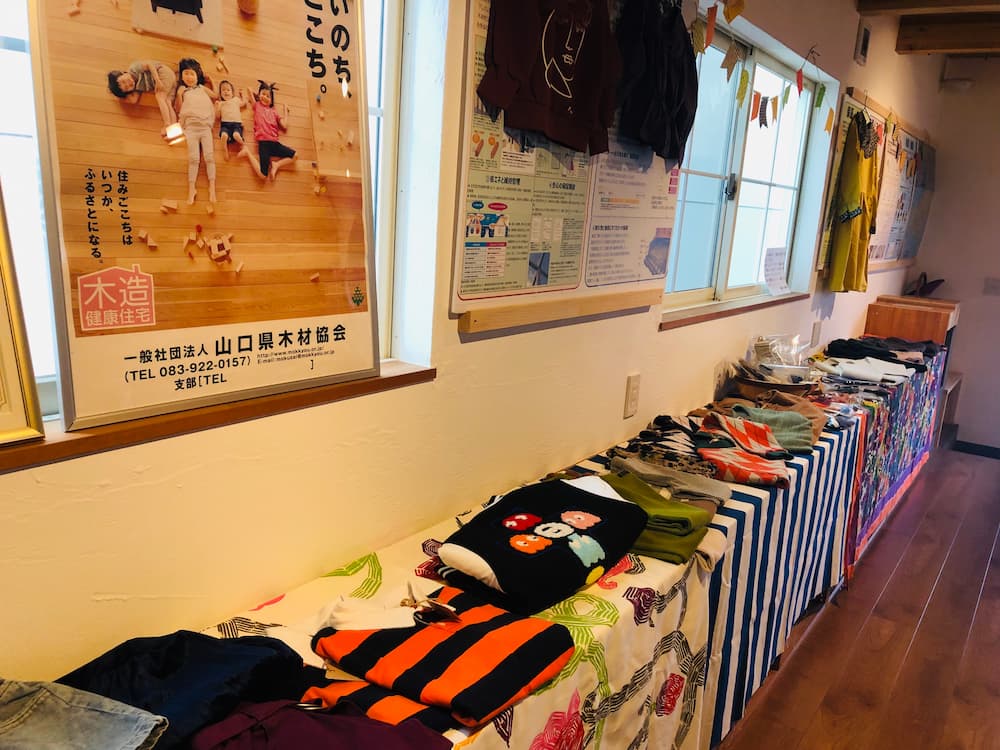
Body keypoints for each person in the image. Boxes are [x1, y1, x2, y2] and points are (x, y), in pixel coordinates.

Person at [174, 58, 218, 204]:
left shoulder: (201, 88)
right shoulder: (183, 91)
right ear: (181, 76)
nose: (189, 77)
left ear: (197, 76)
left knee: (209, 157)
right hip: (191, 128)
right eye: (186, 73)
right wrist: (179, 94)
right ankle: (192, 189)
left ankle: (212, 188)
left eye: (192, 74)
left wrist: (212, 81)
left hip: (205, 126)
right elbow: (179, 110)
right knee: (193, 159)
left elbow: (215, 96)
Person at [240, 80, 296, 181]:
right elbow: (249, 89)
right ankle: (247, 152)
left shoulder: (274, 111)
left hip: (275, 144)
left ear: (271, 100)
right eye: (263, 94)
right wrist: (259, 95)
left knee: (295, 156)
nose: (265, 97)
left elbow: (284, 125)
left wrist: (285, 111)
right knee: (263, 175)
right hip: (264, 144)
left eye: (268, 96)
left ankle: (276, 165)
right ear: (259, 95)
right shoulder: (257, 106)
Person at [107, 60, 178, 132]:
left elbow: (149, 65)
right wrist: (122, 96)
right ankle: (173, 127)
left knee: (160, 96)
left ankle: (167, 124)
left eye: (124, 81)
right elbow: (133, 100)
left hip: (162, 72)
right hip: (171, 79)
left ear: (123, 73)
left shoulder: (133, 69)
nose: (128, 84)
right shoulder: (138, 87)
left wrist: (157, 80)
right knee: (168, 102)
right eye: (126, 88)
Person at [216, 80, 247, 161]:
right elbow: (218, 117)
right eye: (223, 90)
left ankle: (243, 145)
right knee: (224, 135)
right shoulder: (221, 103)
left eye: (228, 90)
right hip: (225, 125)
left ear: (232, 93)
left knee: (236, 135)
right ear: (220, 94)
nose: (226, 92)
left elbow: (244, 103)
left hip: (236, 124)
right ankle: (225, 149)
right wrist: (217, 108)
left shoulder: (236, 100)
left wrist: (242, 95)